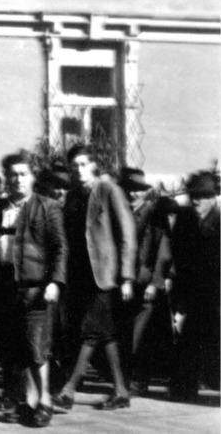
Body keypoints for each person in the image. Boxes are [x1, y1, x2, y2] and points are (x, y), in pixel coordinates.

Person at [0, 153, 65, 428]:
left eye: (23, 173)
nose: (17, 179)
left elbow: (60, 247)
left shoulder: (47, 207)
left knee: (37, 348)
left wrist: (55, 281)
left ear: (32, 177)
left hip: (36, 288)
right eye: (13, 174)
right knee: (16, 350)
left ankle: (45, 403)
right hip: (4, 289)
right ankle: (27, 400)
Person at [53, 145, 136, 411]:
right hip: (81, 277)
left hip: (105, 275)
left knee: (90, 331)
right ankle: (121, 391)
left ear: (93, 165)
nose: (78, 170)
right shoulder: (74, 196)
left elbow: (127, 233)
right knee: (104, 333)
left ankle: (68, 390)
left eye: (82, 164)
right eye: (73, 166)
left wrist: (126, 276)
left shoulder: (108, 189)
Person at [168, 170, 220, 401]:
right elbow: (179, 257)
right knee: (191, 337)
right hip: (194, 290)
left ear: (213, 197)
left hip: (217, 291)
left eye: (202, 196)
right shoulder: (185, 219)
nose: (196, 200)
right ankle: (184, 387)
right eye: (193, 196)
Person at [119, 167, 172, 396]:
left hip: (146, 284)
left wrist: (155, 282)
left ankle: (138, 380)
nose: (132, 194)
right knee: (124, 333)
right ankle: (127, 378)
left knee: (141, 336)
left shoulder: (154, 214)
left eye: (137, 190)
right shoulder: (121, 213)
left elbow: (164, 250)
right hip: (124, 283)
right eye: (128, 190)